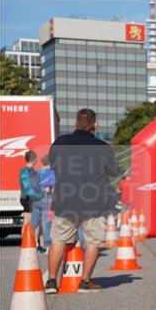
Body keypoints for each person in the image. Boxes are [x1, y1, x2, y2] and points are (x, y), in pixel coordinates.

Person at [44, 108, 120, 293]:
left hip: (65, 200)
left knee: (59, 239)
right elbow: (114, 171)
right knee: (93, 241)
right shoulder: (103, 147)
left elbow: (52, 164)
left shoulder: (61, 142)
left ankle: (52, 282)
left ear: (75, 123)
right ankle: (85, 282)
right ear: (95, 125)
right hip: (93, 202)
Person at [19, 151, 46, 253]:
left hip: (34, 198)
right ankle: (25, 244)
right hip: (27, 198)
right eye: (36, 159)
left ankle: (36, 244)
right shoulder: (25, 171)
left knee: (37, 222)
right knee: (27, 221)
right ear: (34, 159)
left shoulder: (32, 170)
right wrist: (40, 194)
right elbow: (28, 188)